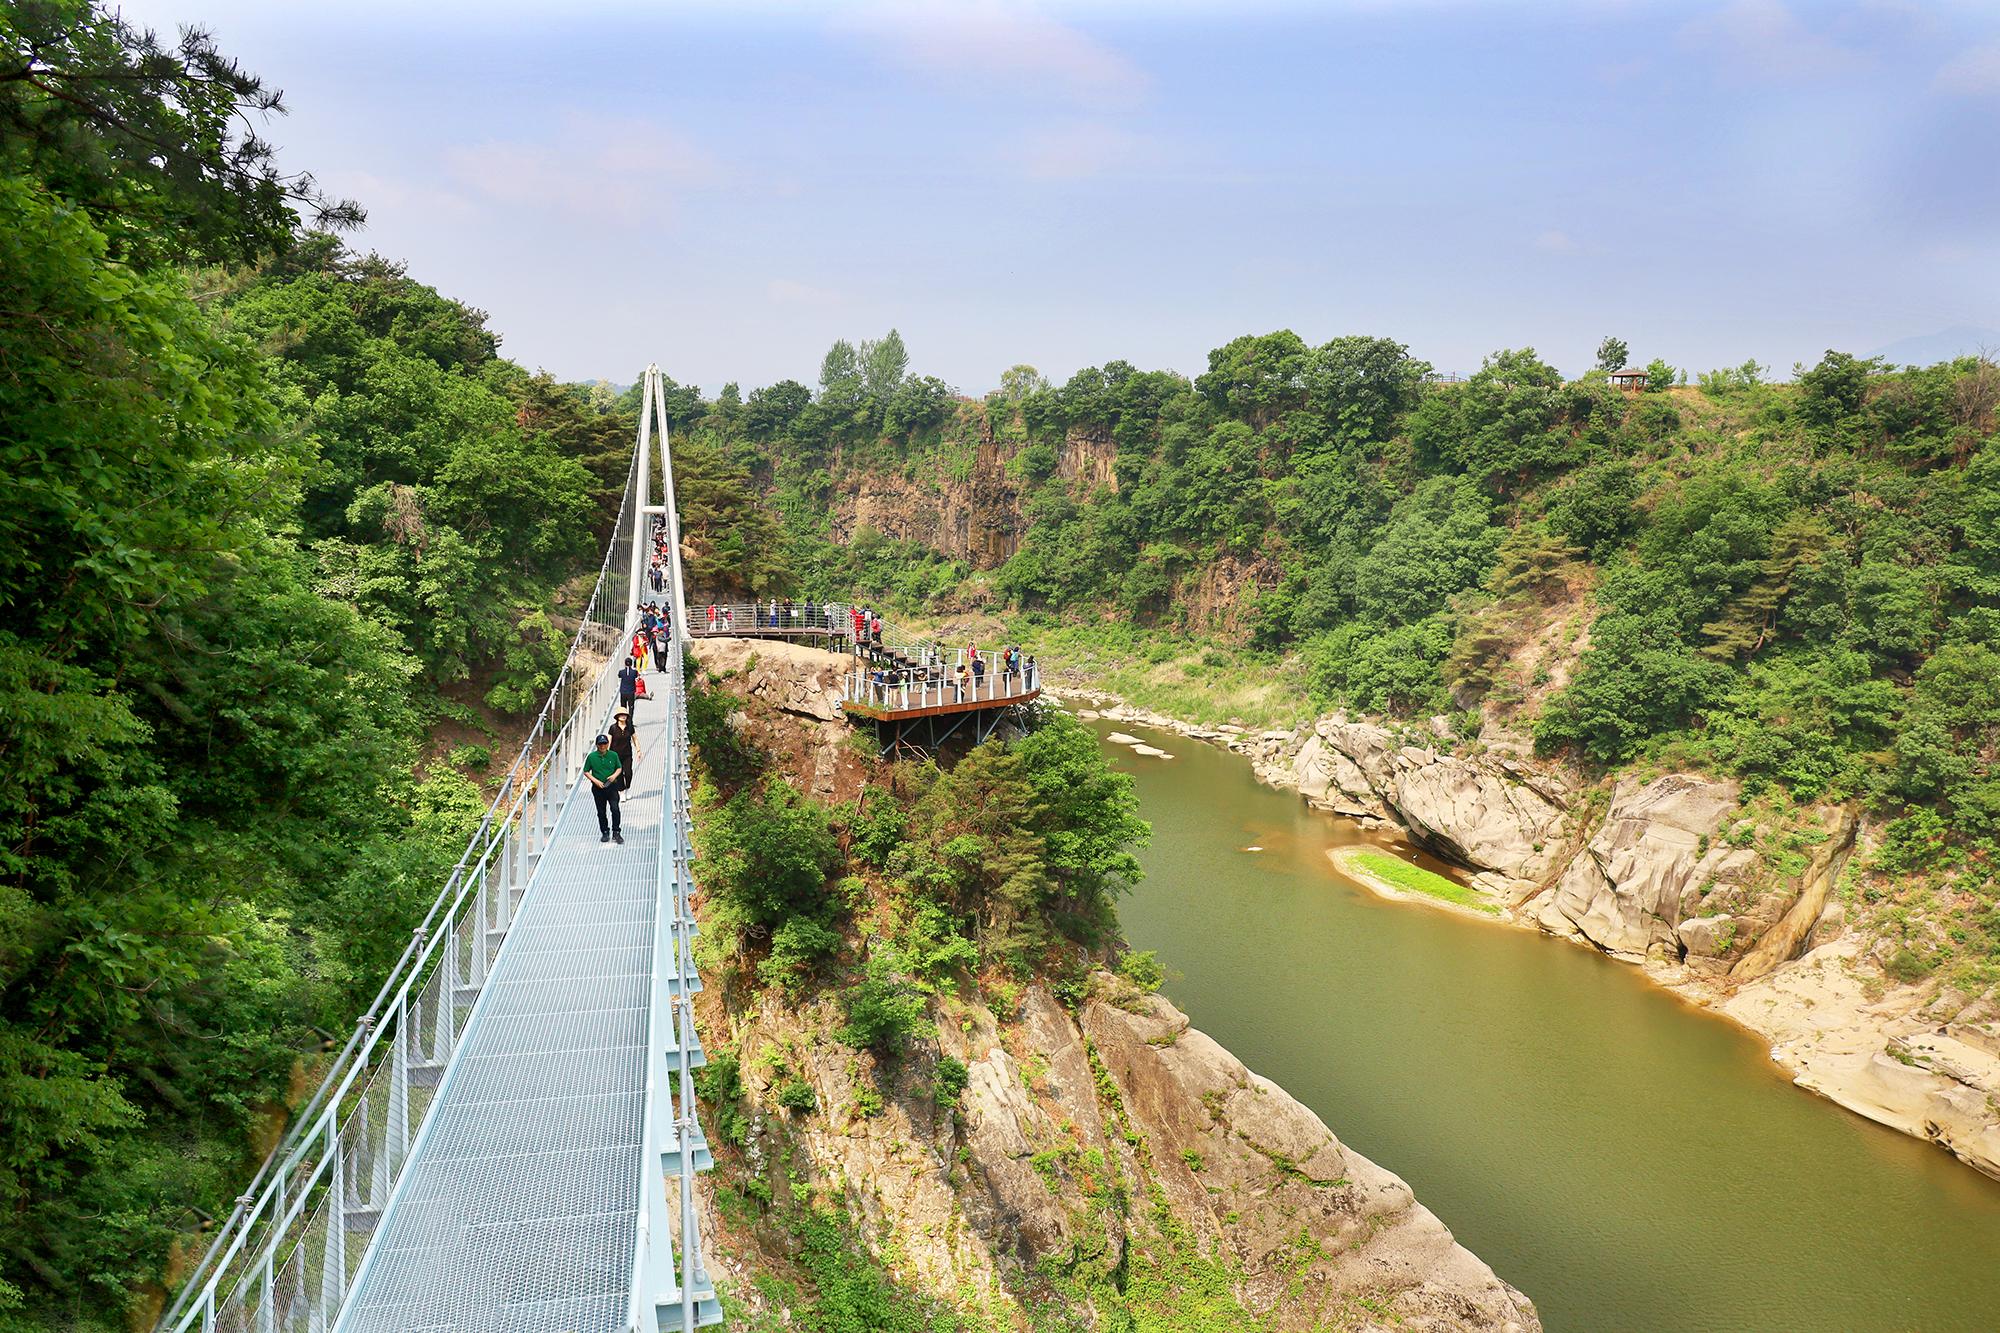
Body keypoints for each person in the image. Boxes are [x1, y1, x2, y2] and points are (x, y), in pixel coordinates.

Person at [585, 733, 625, 844]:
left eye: (604, 744)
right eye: (600, 744)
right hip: (598, 788)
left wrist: (614, 776)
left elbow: (619, 768)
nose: (602, 746)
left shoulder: (613, 755)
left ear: (608, 744)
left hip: (611, 787)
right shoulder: (591, 757)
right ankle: (605, 832)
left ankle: (616, 832)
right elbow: (586, 771)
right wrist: (595, 781)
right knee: (601, 811)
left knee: (615, 809)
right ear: (597, 745)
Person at [607, 706, 640, 792]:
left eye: (625, 715)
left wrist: (638, 750)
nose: (623, 716)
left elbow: (635, 738)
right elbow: (609, 741)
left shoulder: (630, 727)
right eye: (621, 714)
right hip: (615, 755)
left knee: (628, 772)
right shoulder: (613, 728)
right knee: (619, 774)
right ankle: (621, 791)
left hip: (627, 754)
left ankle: (627, 787)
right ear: (617, 716)